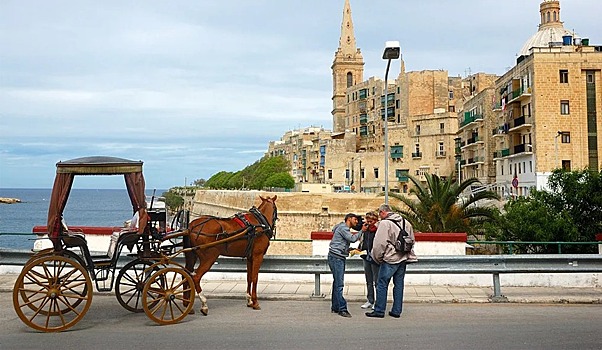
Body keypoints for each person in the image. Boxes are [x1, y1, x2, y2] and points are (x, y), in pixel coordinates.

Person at [365, 204, 415, 319]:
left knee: (382, 284)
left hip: (390, 258)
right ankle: (396, 311)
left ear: (383, 212)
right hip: (403, 258)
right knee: (399, 285)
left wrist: (377, 258)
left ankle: (379, 310)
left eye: (379, 214)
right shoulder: (405, 222)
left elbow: (379, 244)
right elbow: (412, 240)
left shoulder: (385, 223)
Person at [328, 213, 362, 318]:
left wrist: (348, 250)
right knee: (339, 284)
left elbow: (340, 240)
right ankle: (342, 309)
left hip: (335, 256)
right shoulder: (343, 228)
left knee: (336, 282)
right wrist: (362, 231)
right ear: (349, 219)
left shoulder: (340, 227)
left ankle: (335, 306)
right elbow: (352, 239)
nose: (356, 222)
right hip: (337, 258)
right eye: (355, 219)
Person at [358, 211, 379, 310]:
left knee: (377, 281)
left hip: (375, 257)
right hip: (366, 256)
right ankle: (370, 300)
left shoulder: (378, 230)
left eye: (371, 221)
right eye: (368, 221)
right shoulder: (365, 230)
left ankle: (378, 301)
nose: (369, 223)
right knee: (368, 280)